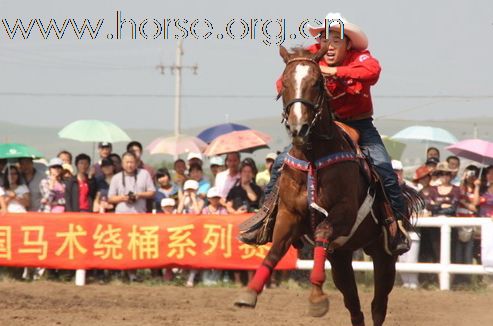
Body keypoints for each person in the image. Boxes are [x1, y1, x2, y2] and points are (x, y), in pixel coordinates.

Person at [255, 12, 411, 254]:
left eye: (336, 40)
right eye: (325, 39)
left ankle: (396, 224)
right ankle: (265, 217)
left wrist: (334, 73)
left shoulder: (361, 58)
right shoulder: (310, 55)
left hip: (360, 125)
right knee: (280, 162)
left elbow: (372, 72)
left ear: (348, 43)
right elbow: (283, 81)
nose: (329, 45)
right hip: (320, 127)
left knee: (383, 166)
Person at [393, 160, 419, 289]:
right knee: (402, 259)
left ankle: (413, 283)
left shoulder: (411, 189)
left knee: (411, 259)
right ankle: (406, 283)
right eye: (393, 172)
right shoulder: (387, 189)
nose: (395, 174)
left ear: (402, 172)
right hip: (398, 230)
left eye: (397, 171)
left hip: (411, 230)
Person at [201, 187, 227, 286]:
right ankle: (206, 277)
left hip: (219, 237)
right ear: (209, 199)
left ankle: (215, 278)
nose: (215, 200)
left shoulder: (223, 210)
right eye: (213, 198)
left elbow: (225, 222)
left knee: (219, 257)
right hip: (207, 237)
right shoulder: (205, 210)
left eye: (217, 198)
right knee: (207, 257)